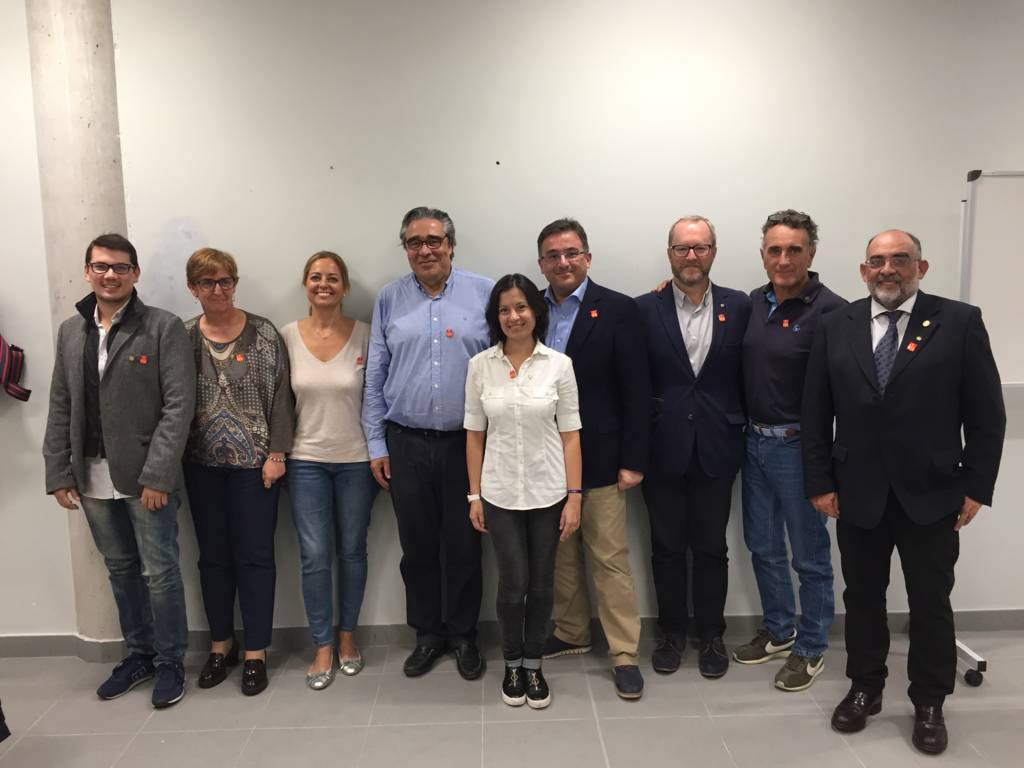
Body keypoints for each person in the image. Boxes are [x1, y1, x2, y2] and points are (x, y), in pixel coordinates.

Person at [802, 229, 1006, 755]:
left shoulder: (959, 321)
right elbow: (815, 410)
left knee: (930, 601)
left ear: (922, 267)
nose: (887, 269)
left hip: (932, 492)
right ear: (863, 270)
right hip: (857, 491)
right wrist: (819, 482)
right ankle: (865, 688)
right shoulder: (836, 324)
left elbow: (986, 414)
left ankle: (930, 701)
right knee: (862, 598)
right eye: (877, 261)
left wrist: (977, 486)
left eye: (900, 259)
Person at [43, 233, 194, 709]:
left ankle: (169, 661)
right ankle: (139, 655)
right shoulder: (72, 331)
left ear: (135, 273)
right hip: (90, 476)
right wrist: (59, 471)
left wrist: (159, 475)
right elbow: (61, 402)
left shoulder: (162, 327)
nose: (111, 275)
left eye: (121, 267)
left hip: (146, 477)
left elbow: (178, 406)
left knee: (160, 573)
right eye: (101, 266)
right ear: (87, 271)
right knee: (121, 569)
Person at [361, 207, 493, 679]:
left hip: (468, 445)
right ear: (406, 249)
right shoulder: (389, 298)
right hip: (406, 443)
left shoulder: (485, 292)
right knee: (416, 547)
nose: (425, 250)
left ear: (451, 244)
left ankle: (464, 635)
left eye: (434, 240)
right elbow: (376, 373)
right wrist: (376, 444)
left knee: (465, 545)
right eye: (414, 242)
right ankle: (428, 635)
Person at [536, 218, 650, 700]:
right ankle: (571, 631)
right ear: (541, 263)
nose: (563, 262)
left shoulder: (619, 309)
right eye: (553, 255)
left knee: (609, 556)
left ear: (587, 257)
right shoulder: (529, 308)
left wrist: (633, 458)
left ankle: (623, 652)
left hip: (602, 454)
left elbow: (638, 389)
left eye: (571, 253)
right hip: (544, 456)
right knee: (560, 553)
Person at [733, 210, 846, 691]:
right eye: (774, 250)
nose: (783, 259)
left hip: (801, 448)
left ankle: (812, 646)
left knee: (810, 555)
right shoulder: (752, 303)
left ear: (811, 253)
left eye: (793, 250)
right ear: (763, 255)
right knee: (762, 545)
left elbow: (846, 392)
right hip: (753, 442)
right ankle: (779, 631)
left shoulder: (834, 311)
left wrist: (829, 466)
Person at [635, 216, 751, 679]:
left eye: (700, 247)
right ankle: (671, 634)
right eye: (682, 248)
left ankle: (711, 635)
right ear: (669, 254)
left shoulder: (740, 306)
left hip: (718, 445)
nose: (691, 256)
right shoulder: (644, 309)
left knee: (711, 549)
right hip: (661, 446)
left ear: (713, 252)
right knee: (665, 548)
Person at [465, 274, 583, 709]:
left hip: (548, 492)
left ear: (536, 311)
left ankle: (534, 665)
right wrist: (474, 496)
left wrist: (575, 496)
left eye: (521, 307)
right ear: (495, 317)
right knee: (513, 584)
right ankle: (512, 663)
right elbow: (474, 434)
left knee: (542, 585)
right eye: (504, 310)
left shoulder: (559, 365)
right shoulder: (480, 366)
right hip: (499, 494)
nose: (513, 316)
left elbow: (570, 435)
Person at [182, 247, 294, 697]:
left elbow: (282, 396)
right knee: (212, 558)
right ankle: (220, 645)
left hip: (256, 468)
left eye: (225, 281)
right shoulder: (182, 337)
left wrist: (278, 453)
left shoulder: (264, 333)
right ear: (193, 288)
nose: (218, 290)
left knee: (255, 557)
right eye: (207, 282)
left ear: (235, 283)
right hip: (201, 466)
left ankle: (255, 651)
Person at [281, 251, 379, 689]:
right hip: (305, 462)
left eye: (333, 278)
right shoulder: (286, 336)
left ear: (345, 287)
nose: (324, 284)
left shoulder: (366, 335)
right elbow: (279, 404)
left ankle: (347, 638)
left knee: (353, 551)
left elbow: (377, 398)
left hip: (357, 461)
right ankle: (322, 644)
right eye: (316, 277)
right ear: (305, 284)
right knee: (315, 555)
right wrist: (277, 454)